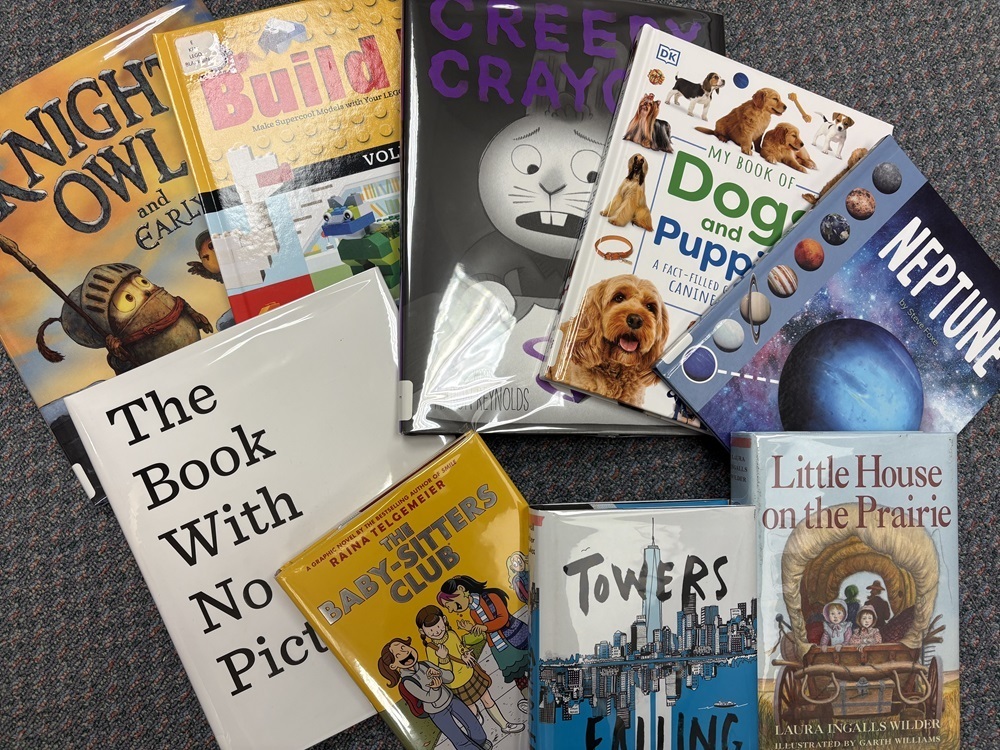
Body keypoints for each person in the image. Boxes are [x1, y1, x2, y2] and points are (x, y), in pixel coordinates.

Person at [415, 605, 524, 735]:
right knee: (471, 709)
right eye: (431, 630)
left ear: (444, 620)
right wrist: (443, 659)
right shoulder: (431, 649)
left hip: (470, 675)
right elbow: (443, 674)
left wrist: (466, 655)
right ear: (423, 632)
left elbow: (461, 649)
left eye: (438, 626)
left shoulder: (451, 634)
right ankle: (477, 729)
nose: (436, 631)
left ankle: (505, 725)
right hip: (456, 684)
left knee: (487, 699)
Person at [376, 636, 490, 750]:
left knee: (472, 722)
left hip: (451, 699)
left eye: (404, 648)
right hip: (437, 712)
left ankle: (481, 742)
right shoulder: (407, 682)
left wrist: (439, 672)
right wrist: (435, 688)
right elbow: (428, 698)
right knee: (457, 737)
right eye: (398, 655)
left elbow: (449, 677)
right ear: (393, 666)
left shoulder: (425, 664)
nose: (405, 653)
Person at [438, 575, 531, 713]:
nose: (451, 610)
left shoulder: (491, 597)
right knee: (518, 677)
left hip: (514, 637)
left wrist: (484, 627)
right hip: (499, 649)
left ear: (461, 589)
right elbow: (484, 634)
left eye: (452, 604)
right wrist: (471, 630)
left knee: (531, 666)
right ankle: (530, 701)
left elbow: (503, 618)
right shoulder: (473, 612)